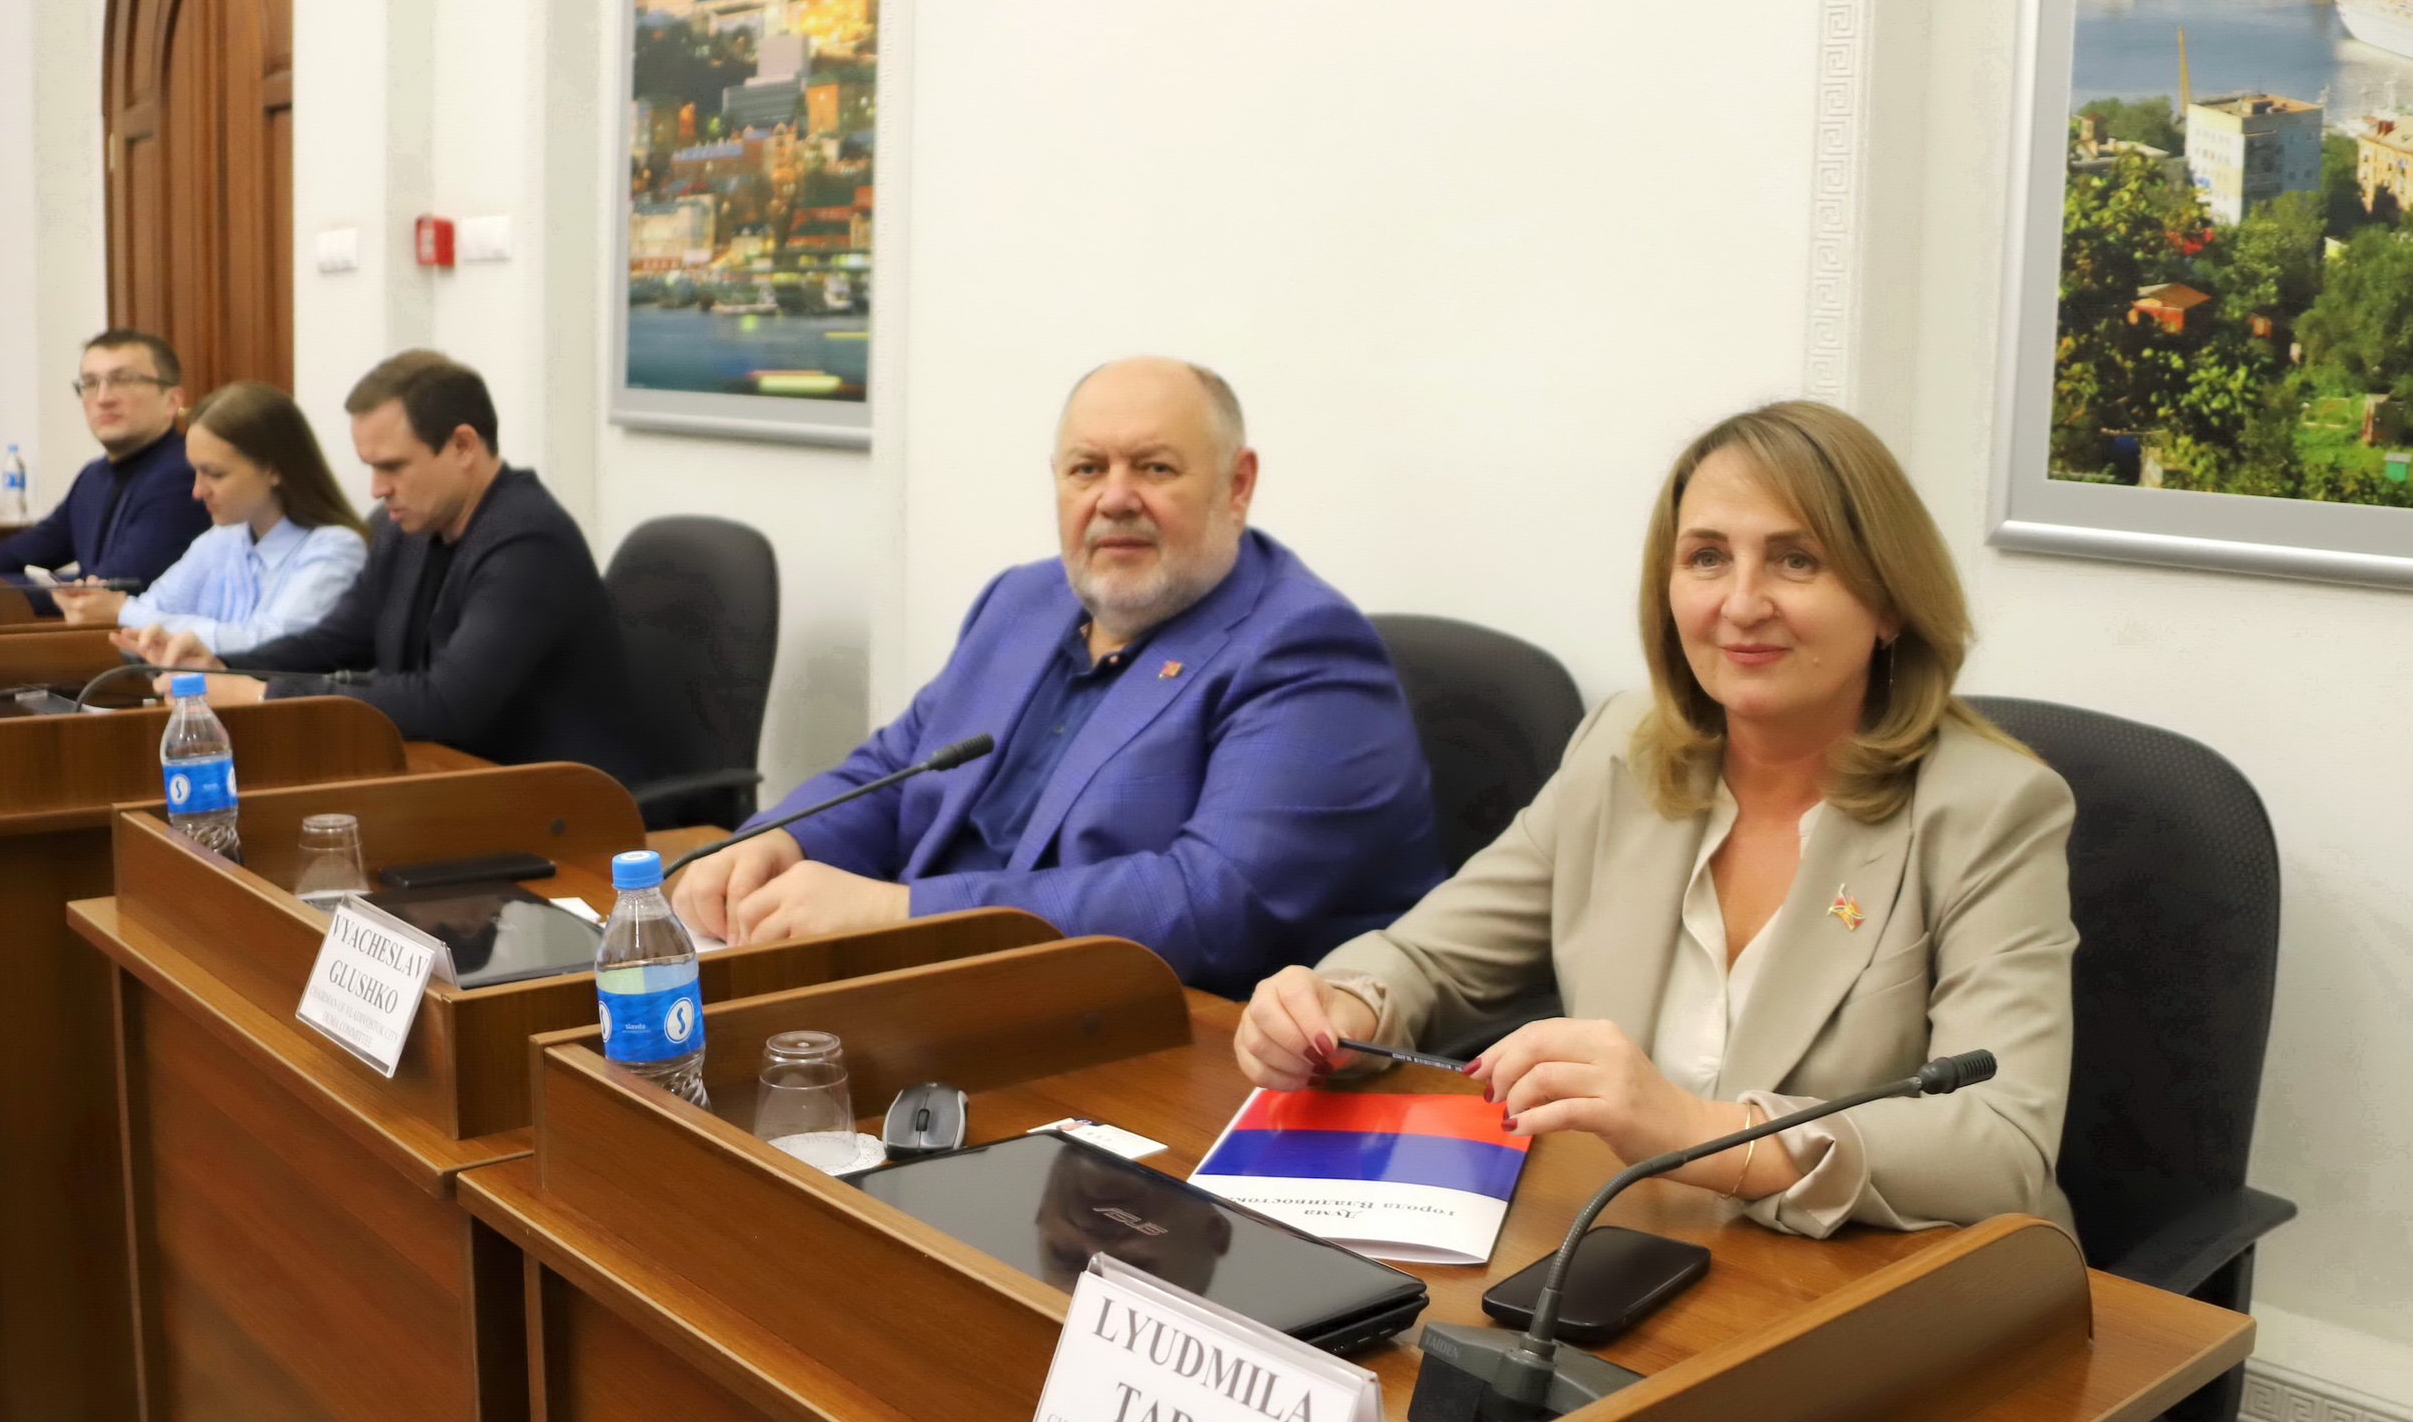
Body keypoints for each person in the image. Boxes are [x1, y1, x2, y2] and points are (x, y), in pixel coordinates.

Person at [1235, 400, 2077, 1238]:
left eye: (1796, 560)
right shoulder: (1624, 749)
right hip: (1635, 1239)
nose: (1742, 603)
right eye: (1708, 557)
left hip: (1881, 1275)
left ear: (1889, 599)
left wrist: (1691, 1130)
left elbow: (2002, 1143)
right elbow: (1428, 957)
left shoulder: (1991, 808)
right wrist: (1339, 1008)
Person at [670, 355, 1444, 996]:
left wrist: (900, 913)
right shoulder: (1022, 600)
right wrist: (779, 840)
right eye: (1087, 468)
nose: (1115, 498)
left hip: (1156, 1036)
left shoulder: (1304, 649)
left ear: (1236, 484)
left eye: (1155, 467)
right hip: (944, 989)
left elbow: (1210, 904)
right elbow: (896, 771)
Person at [137, 350, 649, 780]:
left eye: (392, 466)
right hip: (451, 779)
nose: (377, 489)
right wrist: (224, 667)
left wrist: (260, 695)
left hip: (562, 800)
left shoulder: (528, 542)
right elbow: (333, 642)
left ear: (462, 446)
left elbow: (448, 702)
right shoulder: (406, 526)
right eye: (371, 467)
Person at [58, 381, 368, 651]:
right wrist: (98, 607)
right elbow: (154, 608)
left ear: (274, 469)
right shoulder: (220, 540)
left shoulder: (336, 547)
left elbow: (271, 643)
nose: (197, 491)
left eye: (215, 474)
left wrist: (123, 612)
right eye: (195, 472)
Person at [0, 329, 209, 609]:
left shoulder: (186, 473)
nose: (103, 398)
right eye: (90, 383)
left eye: (123, 380)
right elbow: (30, 548)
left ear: (172, 401)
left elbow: (110, 588)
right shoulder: (94, 476)